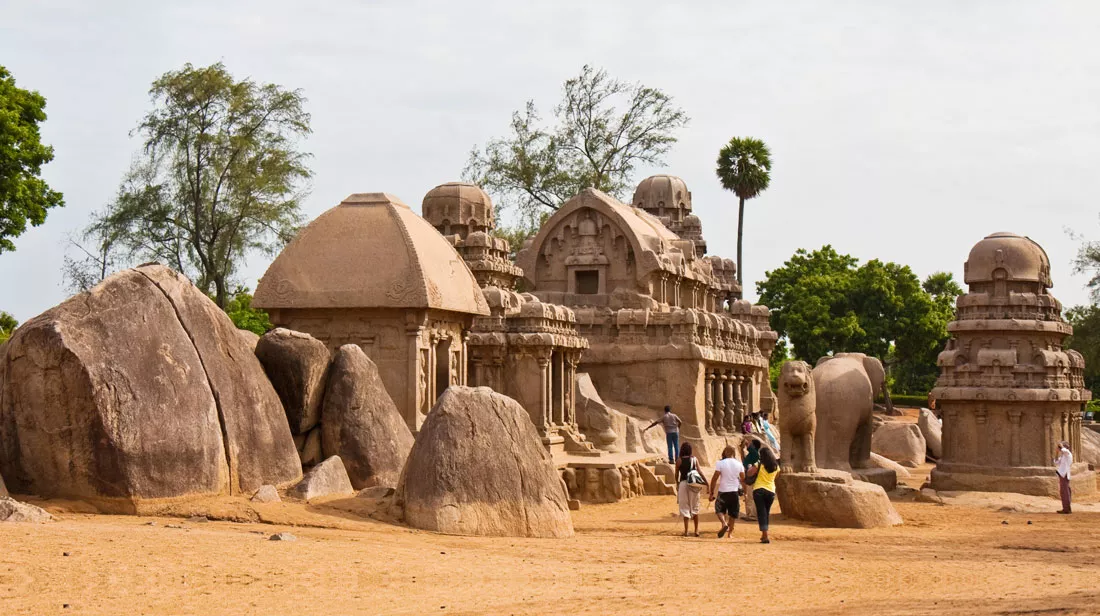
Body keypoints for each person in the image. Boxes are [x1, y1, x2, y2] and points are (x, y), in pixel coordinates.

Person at [708, 445, 745, 538]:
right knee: (733, 513)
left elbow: (715, 478)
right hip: (734, 491)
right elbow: (743, 479)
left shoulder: (720, 463)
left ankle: (724, 523)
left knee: (719, 509)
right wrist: (745, 492)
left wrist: (711, 491)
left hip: (723, 490)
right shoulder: (739, 464)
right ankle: (730, 534)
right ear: (733, 453)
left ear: (725, 453)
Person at [746, 445, 780, 543]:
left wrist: (749, 467)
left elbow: (749, 473)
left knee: (761, 513)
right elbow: (776, 477)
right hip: (771, 491)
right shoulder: (776, 466)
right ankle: (764, 534)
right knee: (766, 513)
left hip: (759, 490)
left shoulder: (759, 464)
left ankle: (765, 535)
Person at [674, 442, 708, 537]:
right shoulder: (694, 459)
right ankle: (696, 530)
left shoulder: (679, 460)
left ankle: (686, 531)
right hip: (693, 484)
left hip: (683, 484)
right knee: (695, 506)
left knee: (685, 507)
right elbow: (700, 471)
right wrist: (706, 482)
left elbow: (676, 474)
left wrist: (677, 483)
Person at [741, 438, 761, 521]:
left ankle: (752, 515)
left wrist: (746, 443)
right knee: (749, 496)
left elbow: (750, 448)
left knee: (752, 496)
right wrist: (741, 449)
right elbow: (743, 460)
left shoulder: (755, 454)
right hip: (749, 478)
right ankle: (749, 514)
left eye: (751, 444)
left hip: (753, 478)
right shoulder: (751, 455)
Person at [1054, 440, 1074, 514]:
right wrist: (1056, 452)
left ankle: (1067, 509)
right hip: (1062, 475)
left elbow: (1065, 450)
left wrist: (1061, 445)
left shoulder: (1068, 454)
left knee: (1065, 492)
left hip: (1064, 474)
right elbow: (1056, 462)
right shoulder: (1063, 456)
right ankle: (1065, 508)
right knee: (1063, 492)